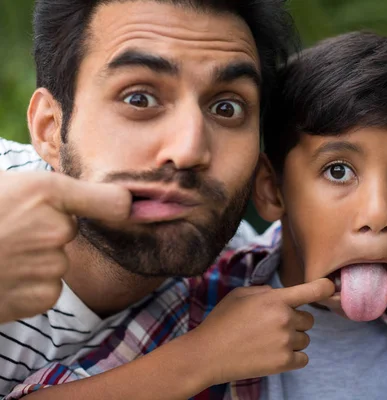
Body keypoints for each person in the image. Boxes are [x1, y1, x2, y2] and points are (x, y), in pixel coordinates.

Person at [8, 32, 387, 400]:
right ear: (271, 190)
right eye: (338, 171)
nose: (377, 215)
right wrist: (198, 361)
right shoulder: (200, 304)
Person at [0, 0, 336, 398]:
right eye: (139, 99)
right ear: (50, 129)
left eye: (226, 107)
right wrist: (198, 360)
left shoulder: (245, 273)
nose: (190, 149)